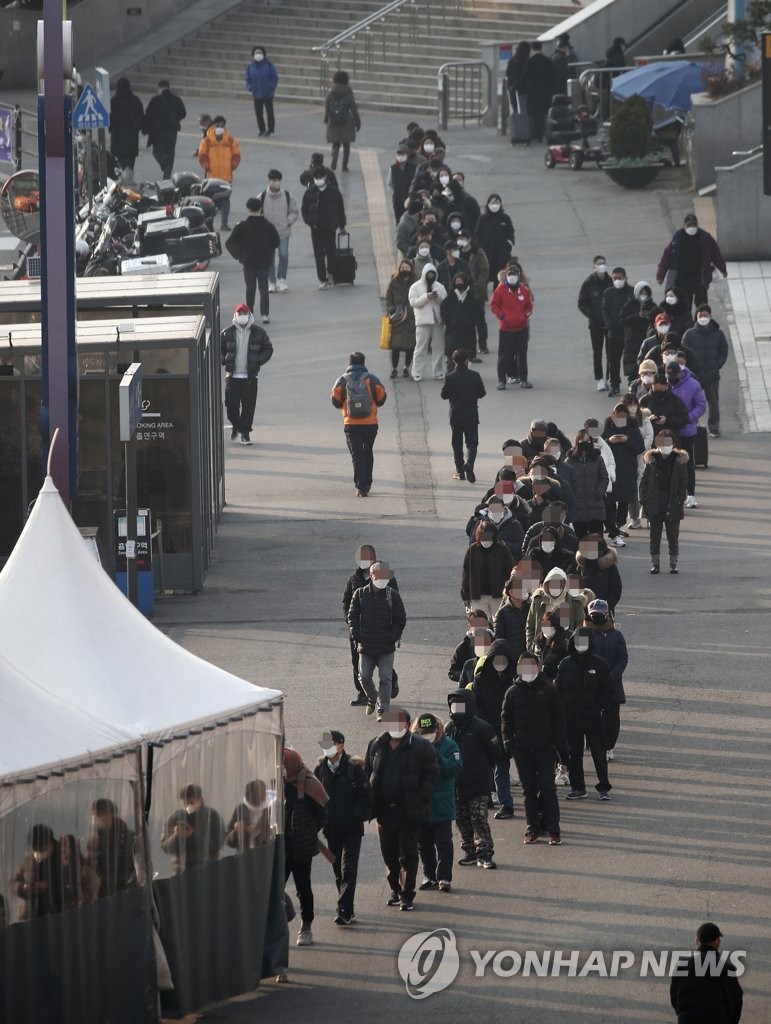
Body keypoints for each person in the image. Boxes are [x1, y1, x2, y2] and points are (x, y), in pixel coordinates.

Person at [364, 708, 439, 912]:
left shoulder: (421, 747)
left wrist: (421, 799)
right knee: (388, 853)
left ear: (407, 725)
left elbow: (431, 775)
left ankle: (407, 893)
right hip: (384, 812)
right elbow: (368, 773)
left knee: (407, 853)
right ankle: (395, 889)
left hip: (409, 811)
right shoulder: (376, 745)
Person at [501, 652, 565, 845]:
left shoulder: (549, 690)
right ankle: (533, 828)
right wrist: (508, 741)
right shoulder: (512, 692)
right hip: (522, 749)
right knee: (528, 789)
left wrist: (555, 743)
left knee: (547, 787)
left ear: (538, 667)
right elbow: (506, 719)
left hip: (545, 748)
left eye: (531, 665)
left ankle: (553, 830)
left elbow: (559, 717)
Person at [314, 731, 371, 926]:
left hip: (352, 829)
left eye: (330, 744)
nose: (327, 748)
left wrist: (359, 813)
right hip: (331, 829)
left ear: (341, 745)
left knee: (349, 870)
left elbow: (366, 795)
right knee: (337, 870)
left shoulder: (354, 768)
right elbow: (314, 798)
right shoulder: (320, 769)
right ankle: (349, 907)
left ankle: (344, 910)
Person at [555, 628, 613, 800]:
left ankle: (604, 787)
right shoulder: (565, 664)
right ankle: (578, 787)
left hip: (593, 716)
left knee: (598, 752)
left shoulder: (599, 664)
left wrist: (600, 706)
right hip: (571, 718)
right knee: (574, 754)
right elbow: (558, 690)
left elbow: (608, 689)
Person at [446, 689, 499, 869]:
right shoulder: (449, 728)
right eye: (454, 706)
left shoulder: (481, 728)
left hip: (478, 784)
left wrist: (481, 771)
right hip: (457, 784)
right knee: (462, 820)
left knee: (479, 819)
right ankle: (469, 851)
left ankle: (485, 854)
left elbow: (495, 753)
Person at [348, 560, 406, 719]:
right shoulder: (360, 594)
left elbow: (401, 618)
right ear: (371, 576)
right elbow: (352, 617)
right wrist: (356, 636)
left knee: (385, 678)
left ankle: (383, 709)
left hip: (386, 647)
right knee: (364, 676)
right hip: (365, 646)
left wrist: (393, 637)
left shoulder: (392, 595)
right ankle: (372, 697)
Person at [467, 638, 518, 818]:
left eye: (504, 660)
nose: (500, 664)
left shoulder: (516, 679)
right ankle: (506, 803)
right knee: (499, 768)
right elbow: (477, 704)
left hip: (514, 729)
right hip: (491, 730)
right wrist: (485, 727)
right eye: (497, 660)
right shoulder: (481, 678)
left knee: (527, 770)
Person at [343, 545, 398, 706]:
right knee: (358, 663)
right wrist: (350, 621)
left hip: (381, 629)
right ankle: (363, 693)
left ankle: (391, 681)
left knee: (382, 661)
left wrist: (393, 628)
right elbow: (346, 602)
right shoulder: (354, 579)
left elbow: (396, 602)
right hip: (359, 630)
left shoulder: (386, 576)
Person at [413, 713, 463, 891]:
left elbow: (455, 768)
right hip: (421, 804)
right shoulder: (412, 746)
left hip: (442, 802)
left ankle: (444, 877)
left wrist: (437, 758)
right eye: (423, 731)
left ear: (437, 729)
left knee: (443, 843)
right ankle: (429, 875)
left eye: (430, 731)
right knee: (423, 844)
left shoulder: (449, 745)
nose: (427, 735)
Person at [283, 747, 328, 947]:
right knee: (275, 888)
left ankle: (306, 926)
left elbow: (322, 815)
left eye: (284, 766)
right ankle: (278, 922)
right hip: (280, 847)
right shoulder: (275, 783)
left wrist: (306, 832)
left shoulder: (310, 783)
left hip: (301, 848)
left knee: (304, 888)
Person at [331, 351, 387, 497]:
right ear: (363, 363)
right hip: (370, 423)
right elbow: (381, 399)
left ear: (349, 363)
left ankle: (361, 487)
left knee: (357, 455)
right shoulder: (372, 379)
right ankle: (368, 483)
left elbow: (335, 401)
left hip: (351, 424)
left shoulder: (342, 380)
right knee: (368, 451)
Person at [220, 303, 273, 446]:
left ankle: (245, 433)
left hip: (250, 377)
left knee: (248, 407)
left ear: (249, 315)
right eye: (240, 313)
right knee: (231, 406)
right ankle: (236, 425)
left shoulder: (259, 333)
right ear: (235, 316)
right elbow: (219, 349)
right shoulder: (227, 333)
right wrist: (223, 359)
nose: (242, 316)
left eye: (245, 313)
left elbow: (268, 349)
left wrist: (258, 361)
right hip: (232, 376)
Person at [669, 922, 743, 1024]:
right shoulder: (726, 968)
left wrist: (684, 1014)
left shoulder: (681, 964)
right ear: (717, 942)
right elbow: (735, 1000)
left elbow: (674, 996)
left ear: (697, 941)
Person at [584, 598, 628, 760]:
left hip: (612, 684)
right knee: (591, 716)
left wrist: (613, 675)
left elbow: (622, 658)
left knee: (612, 718)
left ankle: (609, 746)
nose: (597, 618)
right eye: (594, 615)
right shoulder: (584, 633)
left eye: (600, 614)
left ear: (607, 614)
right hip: (591, 683)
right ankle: (593, 743)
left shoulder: (617, 635)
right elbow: (579, 655)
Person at [639, 428, 689, 574]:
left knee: (673, 537)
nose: (665, 446)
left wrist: (680, 499)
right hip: (655, 503)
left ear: (673, 443)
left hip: (672, 503)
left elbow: (683, 483)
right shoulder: (652, 460)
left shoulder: (679, 461)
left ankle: (673, 564)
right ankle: (655, 564)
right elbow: (644, 481)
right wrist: (644, 499)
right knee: (654, 537)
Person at [656, 212, 727, 312]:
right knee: (685, 306)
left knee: (702, 306)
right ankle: (688, 325)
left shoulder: (705, 238)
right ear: (684, 226)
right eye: (689, 225)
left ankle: (701, 324)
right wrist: (660, 275)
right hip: (682, 279)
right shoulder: (678, 238)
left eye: (694, 224)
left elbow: (715, 254)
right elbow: (667, 256)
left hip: (700, 279)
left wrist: (723, 269)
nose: (691, 227)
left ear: (697, 225)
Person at [225, 197, 279, 324]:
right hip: (264, 262)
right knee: (263, 288)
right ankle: (265, 314)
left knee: (250, 287)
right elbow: (276, 241)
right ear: (261, 209)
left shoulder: (242, 226)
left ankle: (249, 313)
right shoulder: (268, 226)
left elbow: (229, 242)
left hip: (248, 262)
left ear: (248, 209)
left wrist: (239, 255)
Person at [682, 304, 729, 437]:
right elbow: (683, 353)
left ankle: (713, 428)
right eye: (700, 315)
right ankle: (691, 425)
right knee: (690, 402)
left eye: (705, 315)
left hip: (712, 375)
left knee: (713, 402)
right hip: (694, 376)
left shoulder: (718, 334)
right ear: (696, 317)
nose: (703, 318)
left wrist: (717, 364)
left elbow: (723, 350)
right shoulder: (689, 334)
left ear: (710, 316)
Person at [440, 348, 486, 483]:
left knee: (457, 444)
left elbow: (444, 395)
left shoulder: (450, 377)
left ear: (453, 361)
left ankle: (460, 471)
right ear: (467, 360)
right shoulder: (475, 375)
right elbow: (482, 393)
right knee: (472, 443)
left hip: (456, 416)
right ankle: (469, 464)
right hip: (471, 414)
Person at [160, 784, 224, 875]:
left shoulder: (212, 816)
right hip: (180, 871)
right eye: (185, 802)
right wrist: (175, 836)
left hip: (207, 869)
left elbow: (217, 844)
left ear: (200, 799)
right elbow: (165, 847)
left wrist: (192, 836)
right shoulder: (174, 817)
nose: (187, 805)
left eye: (191, 802)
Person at [666, 360, 706, 506]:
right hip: (667, 432)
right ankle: (671, 494)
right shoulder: (665, 385)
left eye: (673, 375)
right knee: (666, 462)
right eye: (668, 375)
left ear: (680, 373)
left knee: (687, 463)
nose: (671, 379)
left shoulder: (693, 385)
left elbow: (701, 405)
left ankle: (691, 494)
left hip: (686, 431)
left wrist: (688, 419)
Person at [602, 403, 646, 539]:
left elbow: (640, 448)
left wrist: (627, 440)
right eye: (617, 416)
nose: (620, 419)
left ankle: (619, 525)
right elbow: (599, 444)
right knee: (609, 499)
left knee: (624, 500)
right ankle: (610, 525)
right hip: (611, 469)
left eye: (623, 417)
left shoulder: (633, 429)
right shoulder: (607, 427)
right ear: (612, 415)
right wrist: (609, 441)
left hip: (628, 470)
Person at [300, 168, 347, 289]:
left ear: (325, 178)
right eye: (316, 178)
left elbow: (340, 210)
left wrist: (342, 226)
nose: (318, 180)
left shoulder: (334, 192)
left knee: (331, 253)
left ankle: (330, 272)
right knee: (318, 254)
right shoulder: (310, 192)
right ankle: (322, 279)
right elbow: (304, 209)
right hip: (316, 229)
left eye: (320, 178)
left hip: (330, 228)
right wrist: (310, 222)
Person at [490, 261, 534, 389]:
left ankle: (523, 379)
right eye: (509, 274)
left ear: (518, 275)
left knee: (522, 355)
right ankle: (501, 381)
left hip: (521, 328)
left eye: (514, 274)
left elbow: (529, 306)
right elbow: (494, 306)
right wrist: (502, 316)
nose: (511, 276)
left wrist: (524, 316)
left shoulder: (523, 290)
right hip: (506, 329)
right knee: (504, 355)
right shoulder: (500, 290)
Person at [461, 521, 515, 621]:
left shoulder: (502, 550)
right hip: (478, 595)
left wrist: (509, 591)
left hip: (499, 595)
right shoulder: (472, 551)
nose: (486, 540)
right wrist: (465, 595)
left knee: (500, 622)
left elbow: (510, 572)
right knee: (480, 623)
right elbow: (466, 574)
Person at [525, 566, 586, 650]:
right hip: (542, 647)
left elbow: (581, 627)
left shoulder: (575, 603)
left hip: (566, 648)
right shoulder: (538, 600)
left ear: (564, 584)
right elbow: (530, 624)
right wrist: (530, 647)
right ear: (547, 584)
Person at [258, 169, 299, 293]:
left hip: (283, 232)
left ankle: (282, 279)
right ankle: (272, 282)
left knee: (284, 254)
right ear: (269, 181)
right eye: (274, 180)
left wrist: (288, 222)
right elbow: (256, 213)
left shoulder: (287, 195)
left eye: (278, 180)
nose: (276, 183)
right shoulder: (262, 196)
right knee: (269, 258)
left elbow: (294, 211)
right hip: (268, 234)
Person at [197, 115, 241, 231]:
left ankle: (224, 223)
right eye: (217, 125)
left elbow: (236, 155)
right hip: (212, 177)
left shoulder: (231, 140)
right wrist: (207, 166)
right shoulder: (206, 141)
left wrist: (232, 165)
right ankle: (208, 224)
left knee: (225, 200)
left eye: (222, 126)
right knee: (210, 202)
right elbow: (202, 155)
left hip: (226, 177)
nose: (219, 128)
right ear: (213, 126)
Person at [578, 255, 614, 391]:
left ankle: (610, 377)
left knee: (611, 352)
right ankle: (600, 379)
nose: (601, 265)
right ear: (593, 266)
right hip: (595, 324)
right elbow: (582, 303)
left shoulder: (611, 281)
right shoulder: (588, 283)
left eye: (603, 263)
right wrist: (592, 315)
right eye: (599, 263)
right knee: (597, 352)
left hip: (610, 323)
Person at [86, 799, 136, 897]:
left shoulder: (129, 837)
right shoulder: (93, 841)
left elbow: (140, 866)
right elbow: (92, 866)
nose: (94, 820)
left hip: (127, 894)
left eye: (97, 815)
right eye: (93, 816)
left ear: (109, 814)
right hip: (102, 896)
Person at [565, 430, 610, 537]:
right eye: (581, 440)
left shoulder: (598, 459)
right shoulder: (570, 460)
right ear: (577, 441)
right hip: (578, 509)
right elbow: (566, 482)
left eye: (587, 440)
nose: (584, 443)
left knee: (597, 543)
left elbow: (604, 478)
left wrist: (599, 492)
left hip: (595, 506)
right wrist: (573, 497)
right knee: (582, 543)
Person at [408, 262, 447, 382]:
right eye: (428, 274)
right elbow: (413, 302)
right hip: (422, 321)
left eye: (432, 274)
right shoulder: (415, 287)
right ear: (424, 274)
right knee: (420, 347)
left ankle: (438, 372)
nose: (430, 277)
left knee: (439, 347)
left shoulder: (439, 287)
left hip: (437, 321)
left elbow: (445, 302)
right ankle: (417, 372)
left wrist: (437, 297)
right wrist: (426, 296)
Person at [14, 824, 61, 920]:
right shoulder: (29, 860)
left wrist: (49, 887)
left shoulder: (62, 855)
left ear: (50, 844)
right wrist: (23, 888)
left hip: (60, 913)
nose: (38, 852)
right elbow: (14, 883)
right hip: (35, 915)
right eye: (35, 849)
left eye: (41, 848)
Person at [440, 271, 487, 366]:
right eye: (457, 282)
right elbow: (443, 313)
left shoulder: (473, 300)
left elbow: (480, 320)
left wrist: (482, 341)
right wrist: (449, 322)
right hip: (452, 334)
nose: (459, 284)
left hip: (468, 335)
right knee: (451, 360)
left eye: (461, 281)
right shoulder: (448, 300)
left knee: (465, 362)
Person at [142, 80, 186, 179]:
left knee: (157, 152)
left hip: (159, 131)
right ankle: (167, 174)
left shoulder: (155, 100)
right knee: (170, 152)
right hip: (172, 130)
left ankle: (164, 165)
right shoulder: (176, 99)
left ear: (159, 88)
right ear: (168, 87)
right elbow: (183, 113)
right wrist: (176, 118)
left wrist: (146, 127)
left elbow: (148, 114)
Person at [602, 267, 634, 396]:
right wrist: (610, 325)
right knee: (613, 361)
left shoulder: (632, 292)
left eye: (619, 278)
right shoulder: (608, 293)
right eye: (614, 278)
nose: (617, 280)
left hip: (629, 332)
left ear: (626, 278)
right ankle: (614, 385)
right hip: (613, 333)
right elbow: (604, 310)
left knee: (631, 360)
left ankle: (633, 384)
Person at [622, 281, 661, 383]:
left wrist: (649, 316)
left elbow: (658, 320)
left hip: (647, 338)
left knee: (647, 368)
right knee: (633, 371)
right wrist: (638, 315)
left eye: (645, 294)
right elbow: (623, 320)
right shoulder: (630, 304)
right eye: (641, 293)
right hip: (632, 340)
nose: (643, 296)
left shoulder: (653, 305)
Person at [385, 260, 418, 378]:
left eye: (407, 268)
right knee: (395, 346)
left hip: (410, 319)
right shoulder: (394, 282)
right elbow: (388, 297)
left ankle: (406, 368)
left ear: (411, 269)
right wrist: (391, 309)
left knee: (410, 346)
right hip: (397, 319)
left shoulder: (416, 282)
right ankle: (394, 368)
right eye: (403, 268)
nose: (405, 270)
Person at [109, 77, 144, 184]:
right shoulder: (136, 100)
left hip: (117, 137)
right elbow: (141, 117)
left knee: (119, 161)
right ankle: (128, 179)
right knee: (130, 161)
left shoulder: (113, 101)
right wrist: (137, 128)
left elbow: (110, 119)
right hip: (132, 137)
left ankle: (123, 181)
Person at [639, 369, 690, 443]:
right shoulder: (644, 400)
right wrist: (648, 420)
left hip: (670, 440)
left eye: (661, 389)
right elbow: (636, 421)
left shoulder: (675, 400)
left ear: (666, 386)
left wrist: (667, 420)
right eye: (656, 390)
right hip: (650, 440)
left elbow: (684, 419)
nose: (658, 392)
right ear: (652, 386)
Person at [324, 70, 360, 172]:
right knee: (346, 144)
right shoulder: (348, 93)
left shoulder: (331, 93)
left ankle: (334, 158)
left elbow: (327, 106)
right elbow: (353, 109)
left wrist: (326, 118)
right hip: (346, 121)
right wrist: (357, 122)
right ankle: (344, 165)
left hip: (334, 121)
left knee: (335, 144)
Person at [476, 194, 516, 284]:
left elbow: (511, 233)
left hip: (502, 255)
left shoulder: (505, 218)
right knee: (484, 277)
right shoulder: (483, 219)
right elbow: (477, 234)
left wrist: (509, 244)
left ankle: (499, 296)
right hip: (486, 254)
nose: (495, 205)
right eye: (492, 202)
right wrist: (480, 248)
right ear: (488, 204)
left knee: (500, 279)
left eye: (497, 202)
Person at [225, 779, 273, 850]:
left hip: (263, 856)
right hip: (243, 857)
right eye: (251, 805)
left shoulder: (268, 811)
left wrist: (257, 833)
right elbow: (228, 841)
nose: (254, 809)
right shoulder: (240, 809)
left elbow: (273, 837)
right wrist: (236, 832)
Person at [524, 41, 555, 142]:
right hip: (546, 91)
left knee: (535, 115)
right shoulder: (548, 61)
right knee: (545, 113)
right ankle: (547, 134)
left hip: (533, 93)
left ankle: (537, 135)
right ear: (541, 48)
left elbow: (526, 77)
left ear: (532, 49)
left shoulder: (530, 62)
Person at [58, 834, 99, 910]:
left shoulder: (85, 871)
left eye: (67, 846)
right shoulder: (56, 871)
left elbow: (93, 894)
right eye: (61, 846)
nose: (64, 850)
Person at [245, 45, 278, 137]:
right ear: (253, 54)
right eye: (256, 53)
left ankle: (271, 129)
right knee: (259, 113)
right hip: (256, 93)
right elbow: (248, 78)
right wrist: (250, 87)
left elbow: (274, 77)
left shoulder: (269, 65)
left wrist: (271, 87)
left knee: (269, 112)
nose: (258, 54)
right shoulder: (251, 66)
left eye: (260, 52)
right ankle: (262, 129)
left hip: (268, 93)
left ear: (263, 54)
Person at [387, 145, 419, 222]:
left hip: (410, 201)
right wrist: (394, 194)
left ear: (407, 155)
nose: (401, 156)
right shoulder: (393, 168)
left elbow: (416, 182)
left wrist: (412, 195)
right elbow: (389, 184)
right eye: (399, 154)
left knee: (410, 220)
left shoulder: (414, 167)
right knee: (399, 221)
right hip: (397, 202)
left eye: (403, 154)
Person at [506, 41, 531, 115]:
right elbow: (524, 76)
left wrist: (512, 86)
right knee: (523, 110)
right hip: (523, 90)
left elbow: (508, 73)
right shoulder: (526, 62)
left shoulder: (512, 60)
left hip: (512, 89)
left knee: (515, 109)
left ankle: (516, 125)